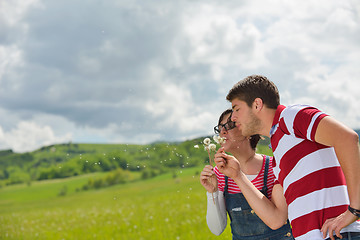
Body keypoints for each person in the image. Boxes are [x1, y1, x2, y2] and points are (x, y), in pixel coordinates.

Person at [217, 74, 360, 240]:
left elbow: (346, 138)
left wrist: (354, 210)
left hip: (339, 235)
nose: (233, 117)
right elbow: (276, 219)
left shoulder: (290, 117)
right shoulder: (278, 152)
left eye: (236, 109)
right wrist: (237, 176)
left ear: (257, 105)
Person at [200, 108, 294, 239]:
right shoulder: (219, 174)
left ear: (249, 130)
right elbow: (217, 229)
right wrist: (212, 193)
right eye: (220, 128)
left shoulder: (275, 167)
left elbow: (279, 219)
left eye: (230, 125)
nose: (223, 131)